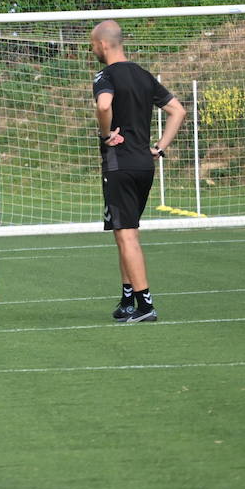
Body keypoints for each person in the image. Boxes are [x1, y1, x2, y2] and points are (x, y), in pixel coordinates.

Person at [90, 20, 186, 322]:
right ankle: (127, 300)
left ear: (104, 45)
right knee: (126, 231)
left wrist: (106, 135)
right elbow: (178, 110)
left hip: (119, 164)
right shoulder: (144, 76)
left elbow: (104, 106)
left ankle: (145, 305)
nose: (93, 49)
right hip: (144, 165)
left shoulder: (104, 76)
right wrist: (158, 147)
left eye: (93, 44)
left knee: (126, 234)